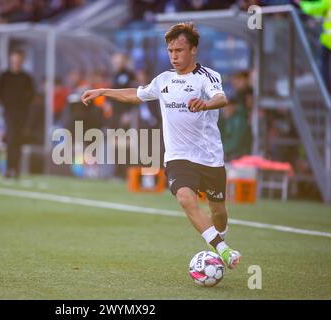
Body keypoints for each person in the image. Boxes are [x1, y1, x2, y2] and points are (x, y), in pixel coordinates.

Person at [81, 22, 241, 269]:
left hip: (209, 156)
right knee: (186, 199)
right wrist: (103, 90)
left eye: (179, 50)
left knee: (218, 211)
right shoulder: (164, 80)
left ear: (193, 50)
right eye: (170, 51)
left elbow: (222, 97)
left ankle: (219, 242)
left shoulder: (207, 77)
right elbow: (136, 94)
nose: (174, 56)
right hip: (178, 156)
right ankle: (223, 250)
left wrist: (206, 104)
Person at [0, 49, 35, 178]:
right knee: (11, 138)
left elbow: (31, 95)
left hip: (22, 113)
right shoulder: (5, 76)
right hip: (9, 112)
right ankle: (9, 167)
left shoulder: (26, 78)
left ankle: (15, 168)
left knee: (18, 140)